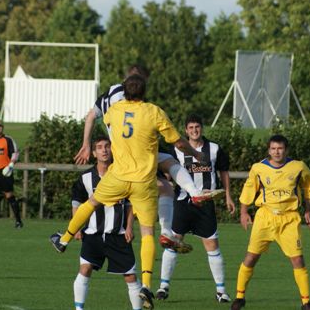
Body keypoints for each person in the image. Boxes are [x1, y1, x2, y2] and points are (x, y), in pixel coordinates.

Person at [51, 74, 208, 310]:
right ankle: (146, 285)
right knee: (147, 232)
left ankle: (63, 240)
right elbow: (178, 143)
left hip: (118, 176)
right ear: (145, 92)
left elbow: (97, 118)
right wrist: (196, 155)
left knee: (91, 203)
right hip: (144, 181)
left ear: (125, 92)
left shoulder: (114, 110)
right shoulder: (154, 111)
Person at [74, 64, 222, 254]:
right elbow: (174, 140)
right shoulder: (133, 103)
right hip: (134, 157)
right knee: (167, 168)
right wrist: (196, 155)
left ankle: (65, 236)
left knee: (164, 186)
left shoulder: (108, 94)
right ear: (140, 81)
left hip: (122, 156)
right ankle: (176, 217)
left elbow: (90, 117)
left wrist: (86, 144)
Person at [156, 114, 234, 304]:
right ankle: (163, 287)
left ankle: (221, 291)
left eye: (197, 127)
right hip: (182, 202)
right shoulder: (176, 150)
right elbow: (165, 170)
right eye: (190, 128)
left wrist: (228, 195)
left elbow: (224, 171)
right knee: (173, 242)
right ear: (185, 131)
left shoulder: (214, 149)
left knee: (212, 245)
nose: (194, 131)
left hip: (206, 203)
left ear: (202, 128)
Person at [232, 134, 310, 310]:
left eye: (280, 148)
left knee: (298, 260)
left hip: (289, 219)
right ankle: (239, 297)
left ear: (286, 150)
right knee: (251, 257)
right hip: (265, 217)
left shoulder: (298, 167)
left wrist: (308, 210)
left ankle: (306, 302)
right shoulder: (259, 168)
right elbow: (249, 189)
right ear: (268, 150)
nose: (277, 152)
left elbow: (309, 188)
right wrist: (243, 212)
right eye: (273, 148)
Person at [71, 136, 143, 310]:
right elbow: (76, 203)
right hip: (92, 234)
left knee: (130, 276)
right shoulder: (86, 177)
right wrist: (76, 226)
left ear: (112, 149)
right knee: (85, 269)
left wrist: (129, 226)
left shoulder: (124, 174)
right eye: (100, 147)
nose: (104, 150)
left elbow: (130, 203)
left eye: (107, 146)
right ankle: (79, 308)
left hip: (117, 235)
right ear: (94, 153)